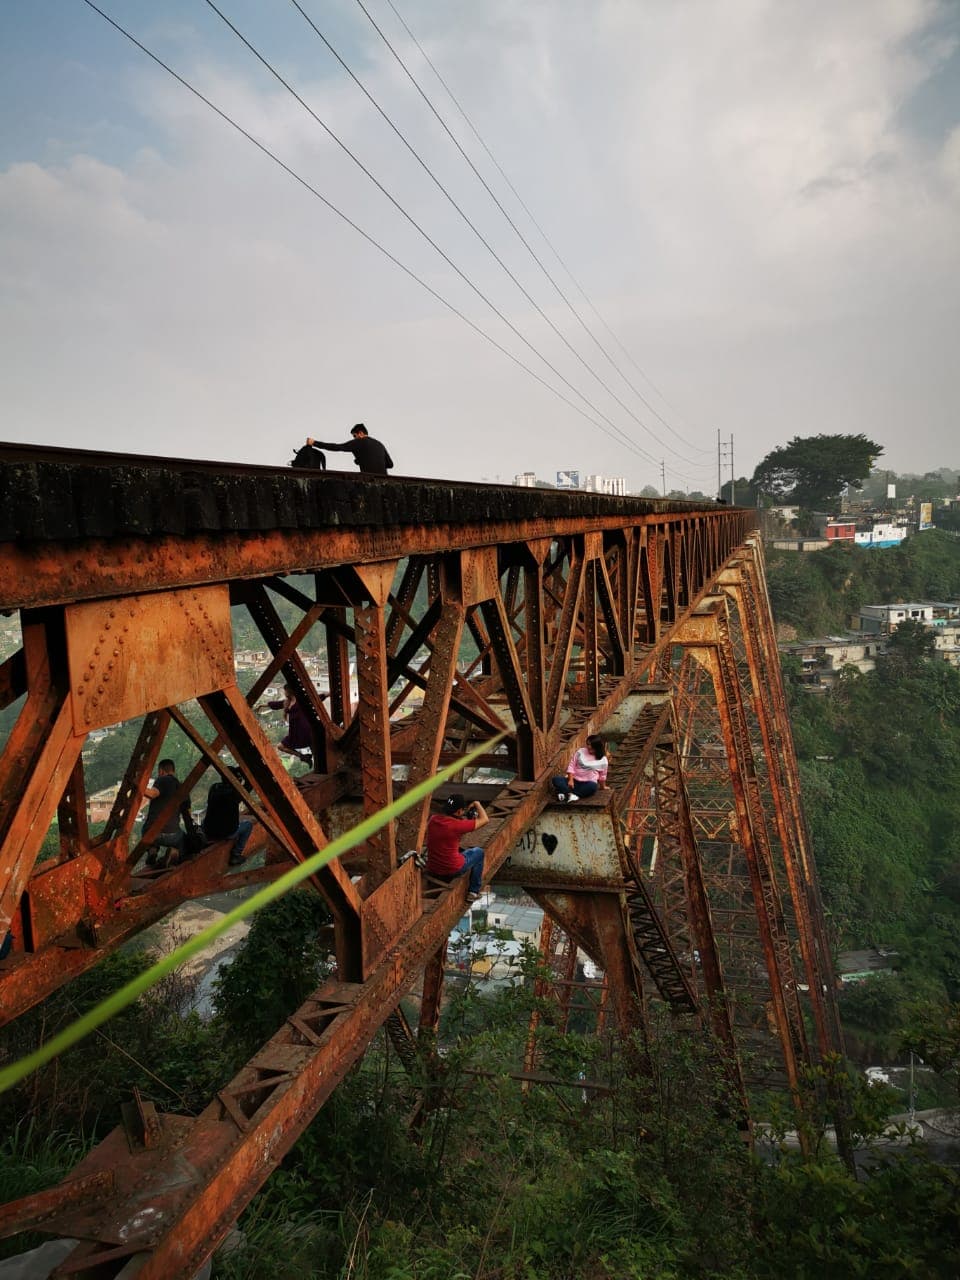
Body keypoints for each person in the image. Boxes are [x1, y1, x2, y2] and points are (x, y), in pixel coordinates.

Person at [425, 794, 489, 902]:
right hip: (453, 869)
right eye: (462, 811)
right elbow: (485, 819)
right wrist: (477, 803)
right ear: (459, 812)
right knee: (479, 852)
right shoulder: (458, 825)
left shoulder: (433, 820)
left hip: (433, 867)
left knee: (458, 849)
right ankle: (473, 892)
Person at [141, 758, 192, 867]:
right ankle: (175, 854)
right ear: (173, 770)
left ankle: (152, 850)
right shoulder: (183, 787)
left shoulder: (162, 779)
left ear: (161, 771)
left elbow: (152, 794)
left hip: (151, 833)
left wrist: (138, 785)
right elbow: (188, 814)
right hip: (172, 835)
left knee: (145, 829)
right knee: (182, 841)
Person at [203, 767, 255, 866]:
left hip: (209, 831)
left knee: (203, 820)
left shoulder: (214, 788)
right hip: (226, 832)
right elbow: (249, 784)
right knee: (248, 825)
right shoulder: (235, 793)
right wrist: (242, 772)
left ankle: (206, 840)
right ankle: (236, 854)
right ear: (236, 779)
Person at [304, 423, 393, 476]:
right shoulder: (380, 444)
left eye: (355, 436)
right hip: (384, 479)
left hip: (369, 480)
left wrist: (314, 443)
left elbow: (337, 447)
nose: (354, 438)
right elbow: (390, 464)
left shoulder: (359, 442)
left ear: (361, 433)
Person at [263, 684, 315, 765]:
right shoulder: (287, 702)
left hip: (304, 729)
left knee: (314, 746)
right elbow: (275, 704)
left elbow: (315, 699)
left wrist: (328, 694)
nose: (284, 692)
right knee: (280, 746)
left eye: (285, 690)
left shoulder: (300, 701)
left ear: (289, 691)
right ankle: (303, 757)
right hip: (294, 731)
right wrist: (261, 705)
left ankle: (311, 759)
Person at [552, 734, 609, 803]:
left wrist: (603, 787)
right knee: (556, 779)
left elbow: (602, 776)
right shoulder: (580, 752)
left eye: (591, 745)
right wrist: (570, 780)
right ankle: (570, 795)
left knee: (593, 787)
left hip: (587, 784)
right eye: (587, 744)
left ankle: (565, 793)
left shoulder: (603, 760)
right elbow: (571, 766)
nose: (588, 747)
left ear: (597, 747)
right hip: (573, 781)